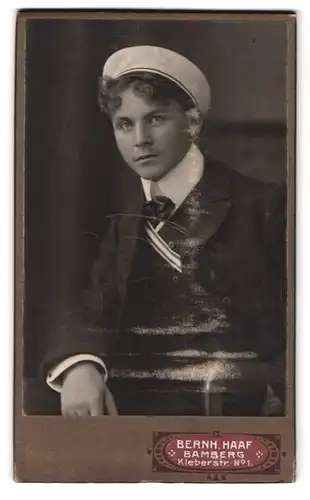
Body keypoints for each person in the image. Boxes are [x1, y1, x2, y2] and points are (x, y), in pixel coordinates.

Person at [42, 45, 286, 417]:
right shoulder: (127, 216)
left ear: (192, 122)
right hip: (130, 400)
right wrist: (79, 365)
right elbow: (94, 308)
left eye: (155, 119)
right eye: (125, 124)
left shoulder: (266, 207)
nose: (140, 139)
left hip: (222, 408)